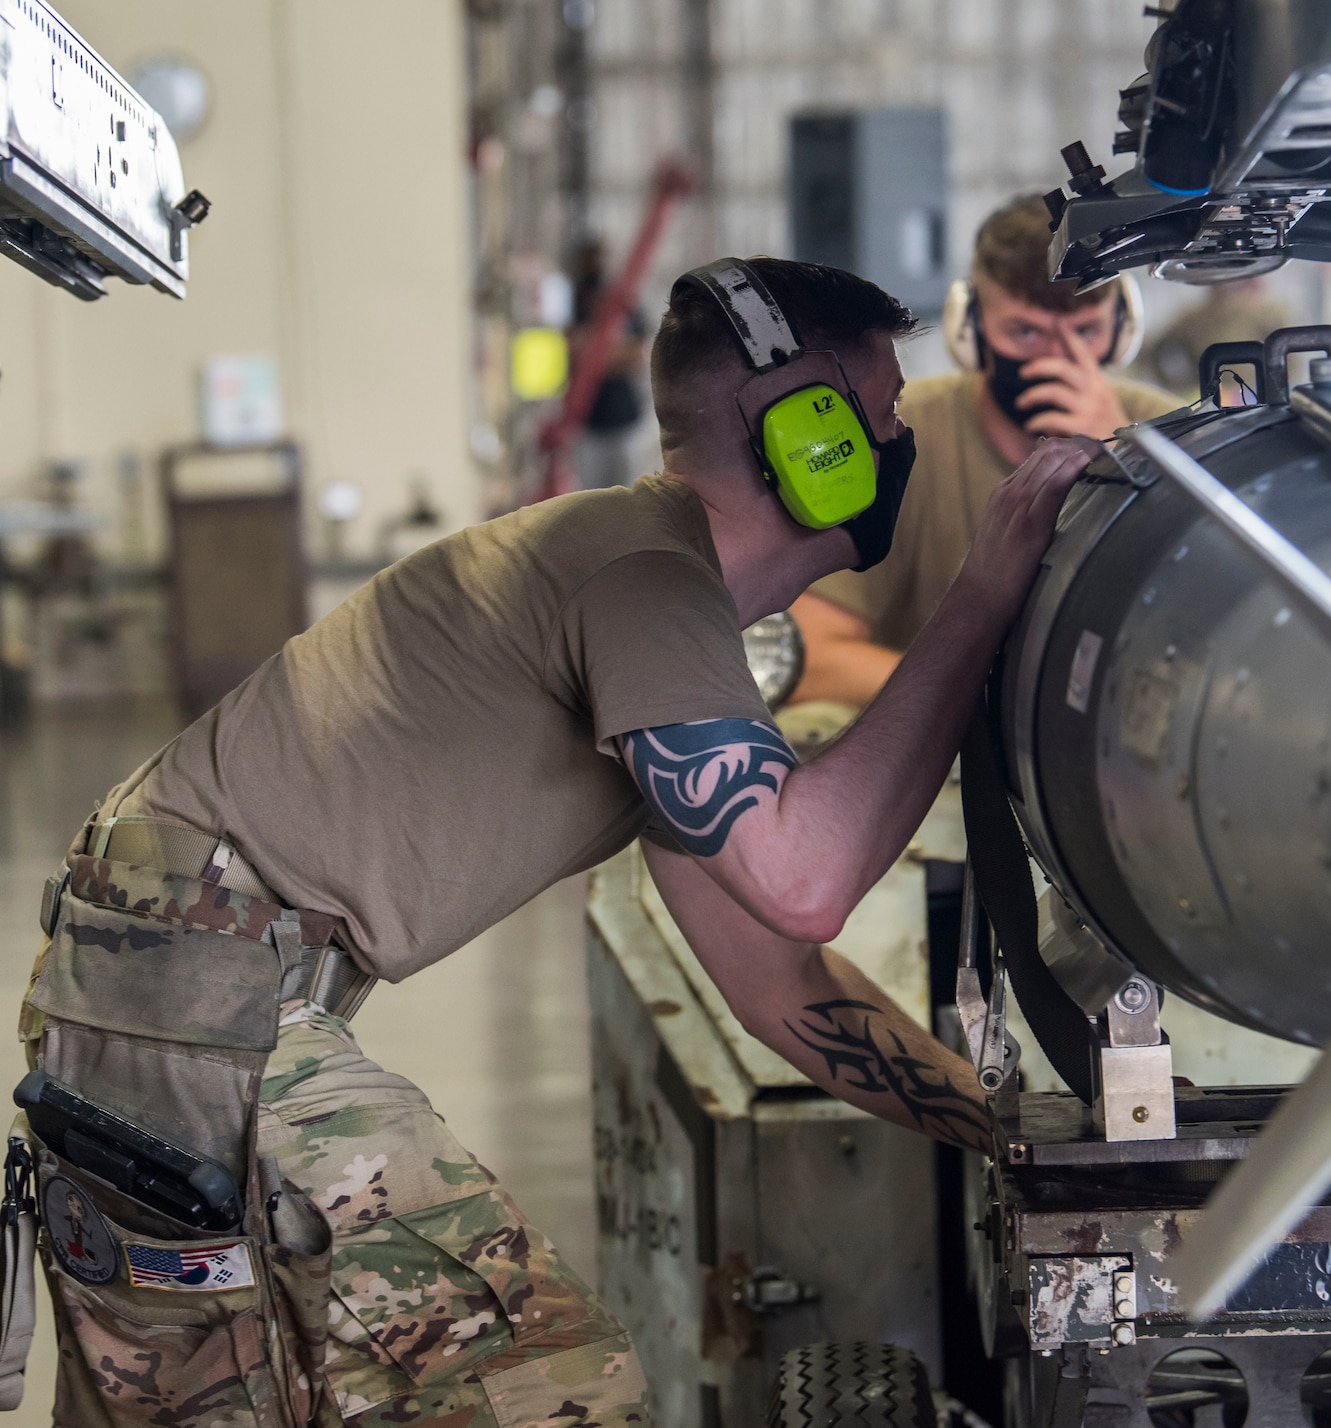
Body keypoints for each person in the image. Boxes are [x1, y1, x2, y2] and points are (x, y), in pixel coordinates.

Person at [20, 257, 1092, 1427]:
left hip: (166, 978)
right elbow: (803, 881)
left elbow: (776, 981)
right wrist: (982, 590)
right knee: (549, 1384)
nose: (898, 444)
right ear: (806, 431)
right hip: (193, 985)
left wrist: (1005, 1129)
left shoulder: (659, 615)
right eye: (880, 415)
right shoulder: (644, 580)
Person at [788, 195, 1181, 707]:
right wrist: (1003, 703)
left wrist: (1130, 463)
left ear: (1122, 329)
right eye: (1026, 332)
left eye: (1085, 332)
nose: (1060, 359)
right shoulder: (891, 437)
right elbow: (815, 663)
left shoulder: (1174, 441)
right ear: (969, 328)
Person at [568, 238, 653, 490]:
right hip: (585, 422)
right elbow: (570, 351)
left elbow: (639, 353)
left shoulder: (624, 300)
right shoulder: (572, 297)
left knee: (625, 493)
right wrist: (612, 354)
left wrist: (596, 358)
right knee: (588, 496)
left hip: (624, 418)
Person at [1135, 275, 1297, 401]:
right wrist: (1177, 386)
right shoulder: (1193, 317)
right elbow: (1156, 349)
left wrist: (1276, 390)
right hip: (1206, 397)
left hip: (1254, 395)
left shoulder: (1266, 312)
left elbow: (1289, 355)